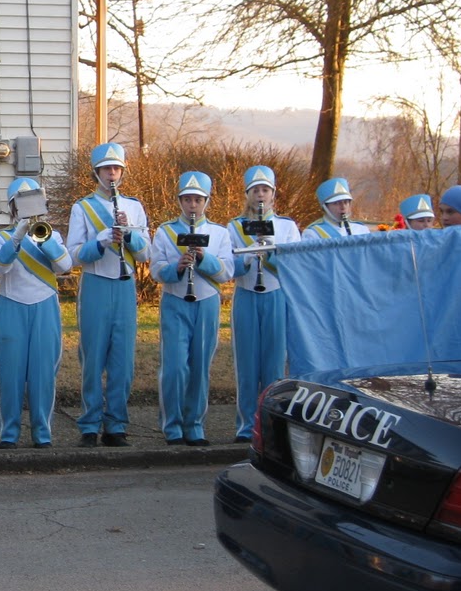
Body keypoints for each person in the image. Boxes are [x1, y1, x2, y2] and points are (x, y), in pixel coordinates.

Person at [67, 143, 149, 447]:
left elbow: (144, 254)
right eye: (106, 169)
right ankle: (89, 423)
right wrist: (102, 240)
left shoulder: (134, 206)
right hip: (96, 282)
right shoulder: (82, 207)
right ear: (96, 172)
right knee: (93, 355)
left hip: (124, 284)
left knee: (122, 360)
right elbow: (75, 255)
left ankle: (116, 424)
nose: (111, 174)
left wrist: (131, 233)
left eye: (116, 169)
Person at [150, 170, 234, 446]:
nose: (192, 205)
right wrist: (176, 267)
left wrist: (203, 259)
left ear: (206, 201)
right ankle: (172, 425)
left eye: (198, 199)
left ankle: (194, 423)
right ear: (180, 201)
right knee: (174, 367)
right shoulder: (166, 231)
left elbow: (226, 272)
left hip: (206, 302)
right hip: (175, 301)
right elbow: (155, 270)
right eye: (187, 199)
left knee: (200, 366)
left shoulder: (219, 233)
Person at [0, 177, 73, 448]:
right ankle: (9, 434)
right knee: (10, 374)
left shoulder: (53, 235)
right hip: (11, 304)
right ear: (13, 207)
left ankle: (42, 433)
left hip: (44, 306)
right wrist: (17, 236)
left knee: (43, 372)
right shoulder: (0, 237)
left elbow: (65, 266)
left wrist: (44, 237)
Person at [226, 166, 299, 442]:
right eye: (255, 190)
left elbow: (295, 267)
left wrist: (269, 252)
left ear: (273, 195)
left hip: (276, 296)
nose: (260, 194)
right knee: (247, 364)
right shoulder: (235, 226)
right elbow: (227, 267)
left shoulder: (287, 226)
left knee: (274, 364)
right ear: (247, 194)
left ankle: (272, 425)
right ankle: (246, 426)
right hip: (246, 295)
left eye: (265, 190)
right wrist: (247, 258)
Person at [304, 177, 370, 238]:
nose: (343, 207)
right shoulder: (313, 232)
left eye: (346, 202)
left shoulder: (361, 229)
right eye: (336, 203)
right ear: (325, 207)